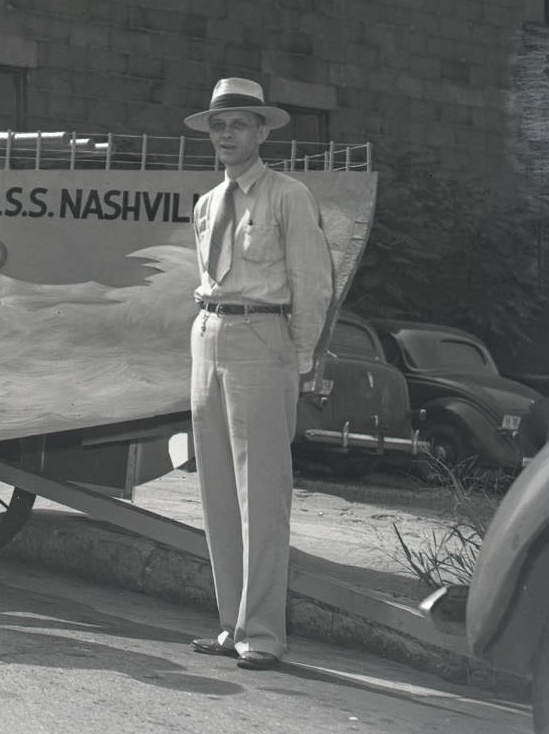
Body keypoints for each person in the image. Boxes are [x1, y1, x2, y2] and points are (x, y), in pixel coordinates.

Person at [184, 77, 334, 671]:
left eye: (239, 125)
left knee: (262, 496)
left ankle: (264, 635)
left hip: (261, 339)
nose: (226, 135)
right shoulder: (206, 203)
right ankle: (231, 624)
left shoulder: (287, 196)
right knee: (218, 492)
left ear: (262, 132)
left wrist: (297, 363)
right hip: (208, 336)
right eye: (219, 126)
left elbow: (313, 283)